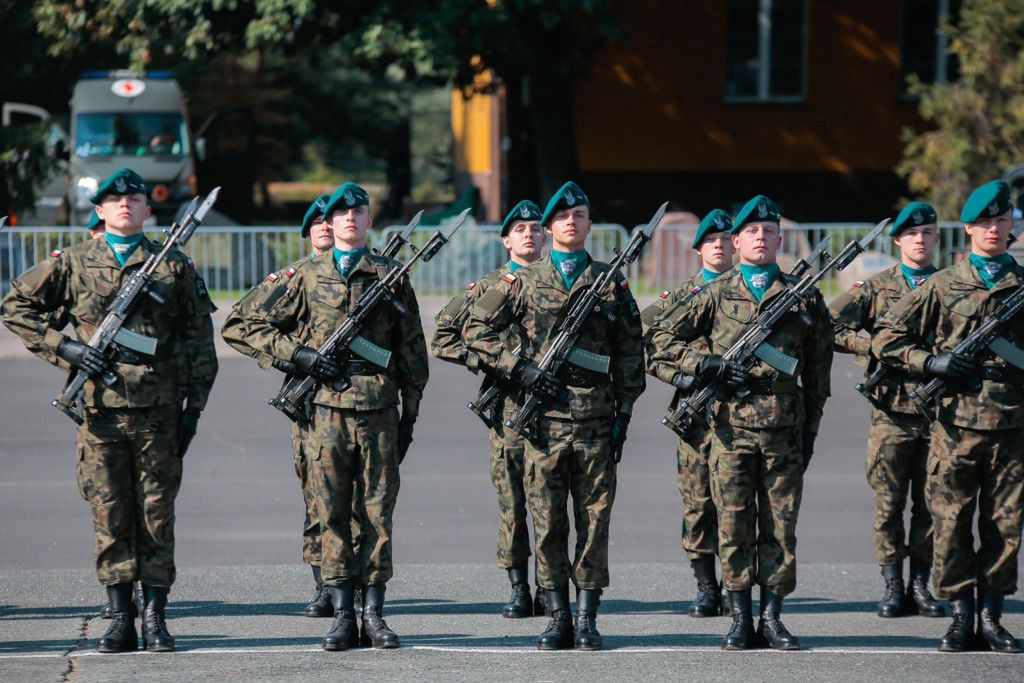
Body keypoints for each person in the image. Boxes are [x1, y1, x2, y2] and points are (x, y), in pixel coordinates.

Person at [1, 167, 218, 653]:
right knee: (111, 513)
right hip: (100, 412)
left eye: (134, 199)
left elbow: (197, 344)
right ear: (99, 210)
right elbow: (15, 306)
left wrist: (193, 409)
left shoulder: (173, 266)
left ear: (147, 209)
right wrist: (67, 349)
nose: (125, 204)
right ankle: (120, 616)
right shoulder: (73, 262)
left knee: (157, 515)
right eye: (114, 200)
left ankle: (156, 617)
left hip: (159, 410)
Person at [237, 182, 429, 651]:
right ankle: (342, 614)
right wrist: (298, 356)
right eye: (340, 212)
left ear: (368, 220)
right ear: (331, 221)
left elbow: (412, 350)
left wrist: (410, 415)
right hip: (323, 412)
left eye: (357, 211)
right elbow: (242, 324)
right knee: (332, 513)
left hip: (379, 409)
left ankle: (375, 615)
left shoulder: (390, 275)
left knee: (378, 514)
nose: (348, 218)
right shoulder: (302, 275)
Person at [463, 181, 645, 651]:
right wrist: (518, 369)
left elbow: (630, 350)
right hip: (541, 422)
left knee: (594, 520)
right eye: (563, 217)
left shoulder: (610, 280)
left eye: (580, 215)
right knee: (545, 521)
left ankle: (587, 615)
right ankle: (557, 614)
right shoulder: (520, 281)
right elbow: (473, 329)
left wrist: (624, 411)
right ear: (549, 228)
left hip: (595, 420)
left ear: (588, 224)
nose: (571, 222)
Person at [647, 195, 833, 651]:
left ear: (780, 239)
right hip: (728, 432)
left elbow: (818, 373)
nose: (761, 238)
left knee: (780, 527)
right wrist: (702, 363)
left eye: (769, 232)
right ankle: (739, 617)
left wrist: (809, 434)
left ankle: (772, 616)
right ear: (736, 240)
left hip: (784, 431)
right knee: (733, 525)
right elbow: (657, 339)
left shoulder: (803, 295)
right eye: (752, 231)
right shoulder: (713, 293)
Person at [873, 180, 1023, 653]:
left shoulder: (1022, 284)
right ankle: (960, 615)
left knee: (1005, 527)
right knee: (952, 522)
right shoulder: (942, 284)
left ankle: (992, 615)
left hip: (1012, 428)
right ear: (968, 229)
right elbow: (887, 338)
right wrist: (930, 363)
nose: (994, 230)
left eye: (1002, 222)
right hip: (953, 428)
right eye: (985, 223)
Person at [222, 194, 358, 618]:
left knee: (359, 502)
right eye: (315, 223)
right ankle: (323, 583)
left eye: (327, 220)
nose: (323, 227)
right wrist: (289, 358)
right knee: (318, 496)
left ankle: (354, 584)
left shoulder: (366, 273)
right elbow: (241, 326)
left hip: (357, 398)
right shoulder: (293, 277)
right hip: (310, 399)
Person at [829, 202, 946, 619]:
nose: (920, 239)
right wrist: (871, 348)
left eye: (927, 232)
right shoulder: (874, 289)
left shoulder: (952, 286)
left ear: (936, 238)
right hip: (892, 412)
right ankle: (893, 584)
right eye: (911, 234)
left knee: (933, 504)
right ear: (898, 240)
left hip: (941, 412)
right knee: (889, 503)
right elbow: (829, 326)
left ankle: (921, 584)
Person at [431, 199, 547, 618]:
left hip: (554, 406)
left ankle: (550, 586)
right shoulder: (487, 286)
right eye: (520, 229)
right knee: (513, 500)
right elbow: (443, 337)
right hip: (511, 407)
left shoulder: (562, 284)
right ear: (506, 240)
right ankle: (519, 586)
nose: (529, 234)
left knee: (549, 501)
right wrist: (494, 362)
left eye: (536, 228)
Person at [643, 208, 735, 618]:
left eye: (725, 239)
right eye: (710, 241)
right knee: (698, 502)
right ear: (698, 249)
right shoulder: (681, 297)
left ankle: (737, 583)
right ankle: (705, 586)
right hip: (696, 414)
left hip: (740, 412)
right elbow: (644, 341)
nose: (719, 245)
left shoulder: (751, 293)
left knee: (736, 501)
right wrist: (678, 378)